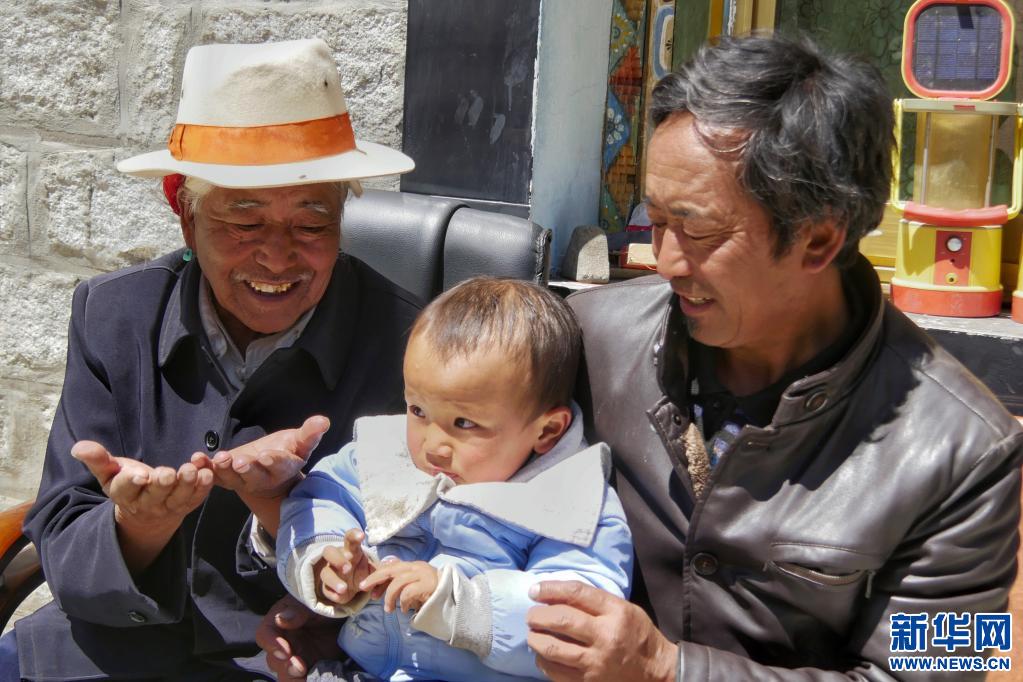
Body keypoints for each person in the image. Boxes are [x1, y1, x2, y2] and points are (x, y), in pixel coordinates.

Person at [521, 34, 1023, 680]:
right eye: (656, 221)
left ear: (818, 240)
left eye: (698, 230)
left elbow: (935, 673)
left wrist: (666, 669)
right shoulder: (592, 338)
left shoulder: (968, 452)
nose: (665, 261)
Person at [0, 39, 419, 681]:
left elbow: (436, 546)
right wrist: (137, 527)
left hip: (288, 661)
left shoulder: (411, 344)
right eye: (243, 223)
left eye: (312, 224)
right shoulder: (114, 316)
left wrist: (308, 563)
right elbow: (62, 527)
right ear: (185, 215)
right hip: (96, 654)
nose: (277, 257)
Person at [275, 277, 633, 681]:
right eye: (418, 410)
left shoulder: (571, 501)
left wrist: (458, 603)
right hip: (360, 667)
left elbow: (580, 618)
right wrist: (326, 560)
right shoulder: (386, 455)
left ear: (547, 431)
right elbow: (319, 498)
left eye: (464, 423)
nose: (433, 446)